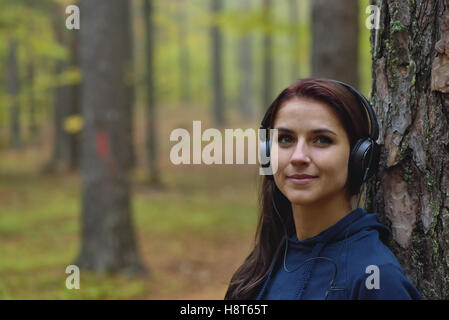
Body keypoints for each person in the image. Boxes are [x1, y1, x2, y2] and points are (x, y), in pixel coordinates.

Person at [224, 78, 422, 300]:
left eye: (321, 140)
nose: (298, 157)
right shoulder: (263, 265)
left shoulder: (375, 277)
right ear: (267, 153)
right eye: (286, 139)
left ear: (360, 157)